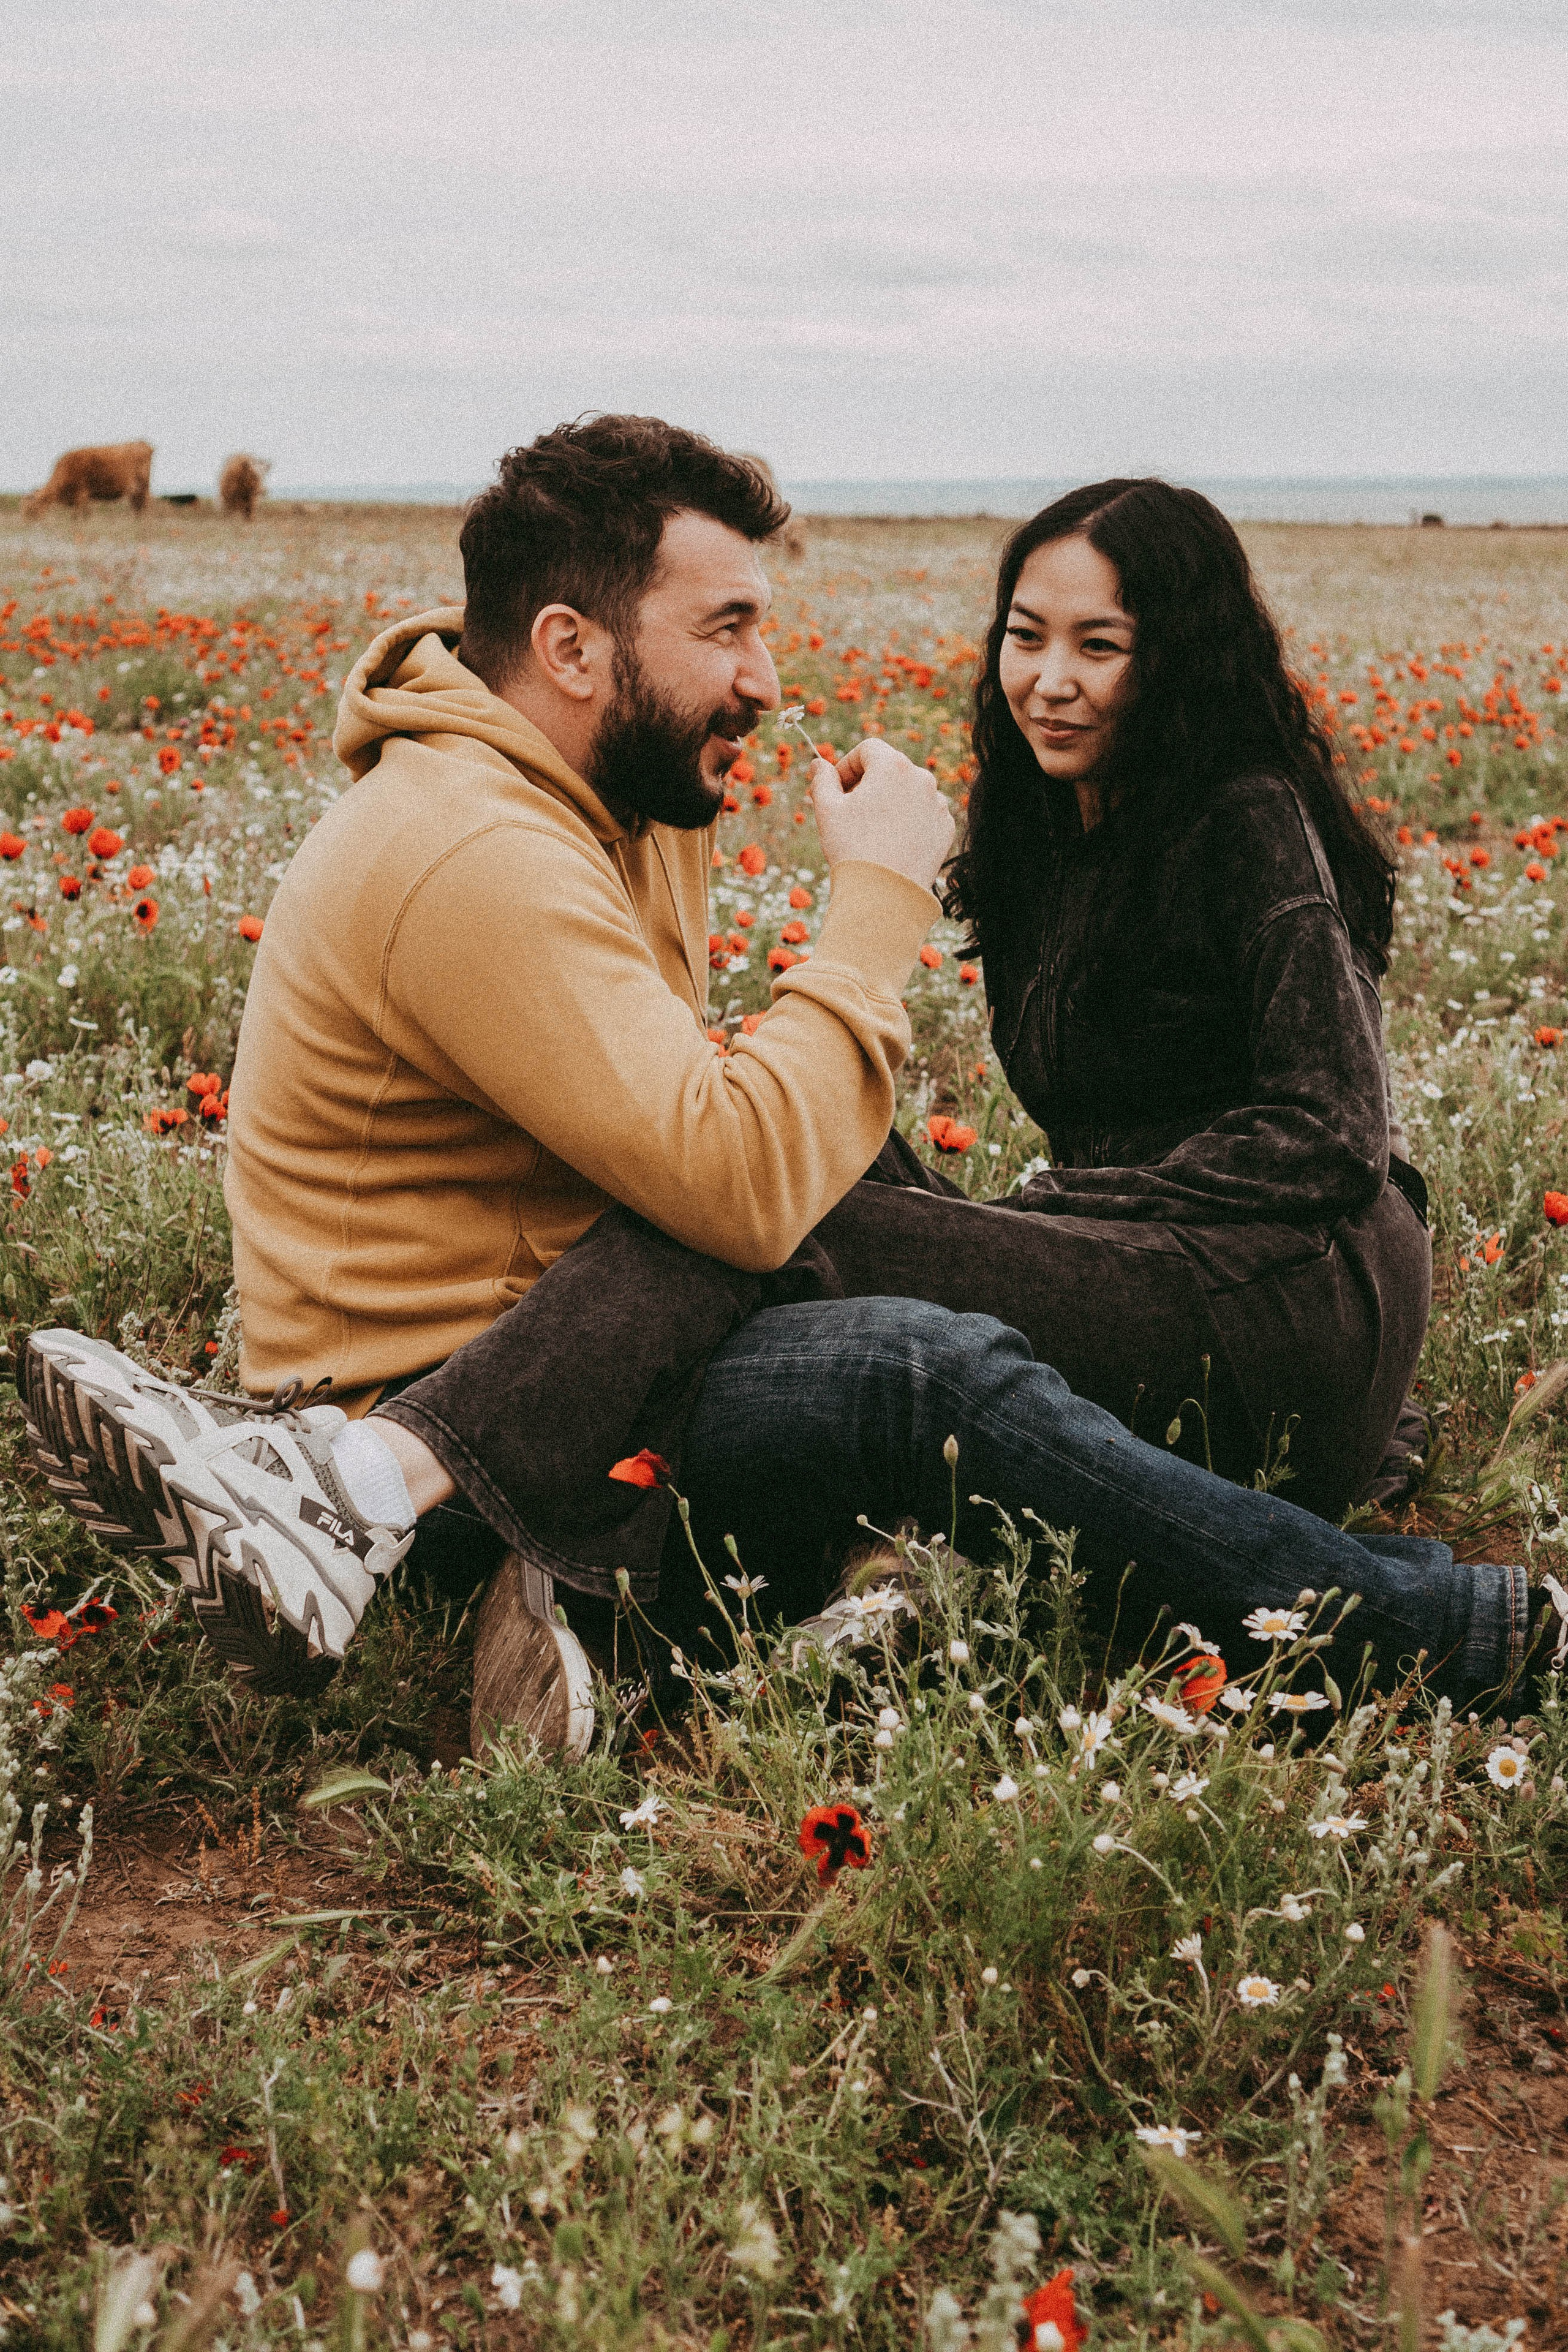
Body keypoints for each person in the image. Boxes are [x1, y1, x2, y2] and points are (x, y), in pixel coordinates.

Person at [21, 429, 1566, 1755]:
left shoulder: (590, 796)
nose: (767, 677)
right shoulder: (478, 846)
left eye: (1097, 645)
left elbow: (1322, 1132)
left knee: (825, 1197)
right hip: (500, 1396)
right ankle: (446, 1523)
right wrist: (876, 907)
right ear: (571, 651)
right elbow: (737, 1187)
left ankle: (477, 1540)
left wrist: (1030, 1215)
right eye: (729, 628)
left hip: (587, 1356)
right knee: (900, 1347)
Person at [813, 478, 1430, 1523]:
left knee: (806, 1221)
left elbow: (1335, 1132)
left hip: (1291, 1295)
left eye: (1099, 646)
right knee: (789, 1145)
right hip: (1141, 1267)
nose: (1049, 682)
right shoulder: (1041, 828)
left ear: (1180, 658)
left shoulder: (1246, 817)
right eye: (1025, 637)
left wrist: (1055, 1208)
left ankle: (555, 1489)